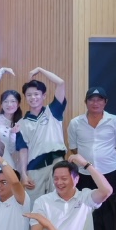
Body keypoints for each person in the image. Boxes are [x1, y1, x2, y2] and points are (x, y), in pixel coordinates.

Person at [15, 68, 67, 202]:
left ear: (44, 96)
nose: (33, 97)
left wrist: (40, 70)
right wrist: (23, 174)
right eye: (29, 95)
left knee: (58, 203)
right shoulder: (21, 124)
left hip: (56, 163)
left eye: (36, 94)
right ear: (25, 98)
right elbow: (23, 150)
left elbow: (61, 83)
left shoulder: (53, 111)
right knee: (33, 206)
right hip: (34, 168)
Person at [67, 87, 116, 192]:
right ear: (85, 102)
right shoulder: (75, 123)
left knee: (110, 201)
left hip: (109, 171)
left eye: (99, 100)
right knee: (84, 201)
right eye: (91, 100)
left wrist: (103, 155)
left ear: (105, 102)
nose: (95, 103)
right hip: (84, 172)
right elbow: (73, 148)